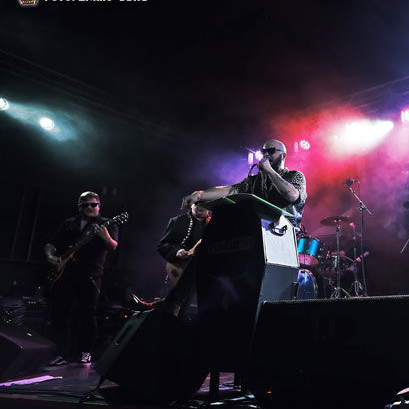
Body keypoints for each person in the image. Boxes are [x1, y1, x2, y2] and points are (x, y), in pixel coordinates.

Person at [151, 139, 307, 316]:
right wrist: (199, 195)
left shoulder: (295, 176)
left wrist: (269, 170)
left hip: (282, 239)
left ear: (283, 155)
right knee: (206, 248)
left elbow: (292, 195)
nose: (266, 155)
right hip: (256, 237)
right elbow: (231, 190)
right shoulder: (253, 181)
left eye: (271, 151)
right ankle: (176, 303)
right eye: (263, 151)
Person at [44, 191, 119, 365]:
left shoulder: (106, 224)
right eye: (85, 205)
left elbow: (113, 246)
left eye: (93, 204)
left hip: (91, 275)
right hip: (66, 274)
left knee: (87, 315)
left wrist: (106, 237)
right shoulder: (69, 223)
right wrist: (50, 256)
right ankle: (60, 353)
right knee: (60, 313)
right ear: (79, 206)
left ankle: (85, 352)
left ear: (99, 206)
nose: (89, 208)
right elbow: (51, 243)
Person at [129, 203, 209, 309]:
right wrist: (176, 251)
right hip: (181, 269)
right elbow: (162, 245)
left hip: (207, 273)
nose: (200, 206)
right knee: (179, 306)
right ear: (191, 204)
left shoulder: (215, 224)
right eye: (198, 203)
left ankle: (153, 307)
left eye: (204, 203)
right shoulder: (177, 221)